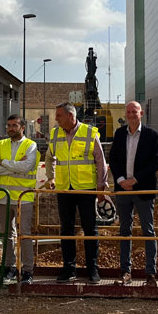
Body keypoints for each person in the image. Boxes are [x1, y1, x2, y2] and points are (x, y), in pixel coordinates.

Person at [45, 102, 108, 284]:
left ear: (71, 116)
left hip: (86, 189)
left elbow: (100, 161)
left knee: (90, 229)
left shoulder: (89, 133)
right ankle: (69, 269)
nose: (56, 119)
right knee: (66, 230)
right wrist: (51, 177)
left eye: (59, 116)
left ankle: (92, 270)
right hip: (65, 189)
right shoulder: (56, 134)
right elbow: (49, 157)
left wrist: (100, 187)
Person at [108, 101, 158, 286]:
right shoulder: (119, 133)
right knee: (125, 231)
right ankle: (125, 272)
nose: (131, 114)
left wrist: (135, 180)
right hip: (123, 190)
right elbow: (113, 158)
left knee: (148, 230)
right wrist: (121, 179)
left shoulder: (153, 136)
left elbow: (155, 162)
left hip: (143, 189)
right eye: (128, 111)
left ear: (142, 113)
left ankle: (150, 274)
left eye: (134, 111)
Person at [0, 114, 39, 285]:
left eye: (14, 125)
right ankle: (10, 267)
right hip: (2, 197)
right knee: (6, 235)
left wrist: (4, 163)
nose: (11, 128)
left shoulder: (30, 145)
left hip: (22, 197)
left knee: (24, 234)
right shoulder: (1, 144)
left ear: (22, 127)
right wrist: (14, 166)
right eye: (8, 125)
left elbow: (26, 166)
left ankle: (27, 271)